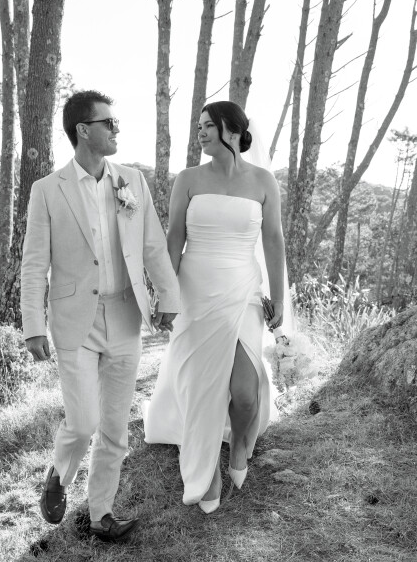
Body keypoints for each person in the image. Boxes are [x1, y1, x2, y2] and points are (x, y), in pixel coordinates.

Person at [21, 90, 180, 541]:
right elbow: (34, 264)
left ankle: (101, 514)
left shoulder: (132, 181)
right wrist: (33, 324)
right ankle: (60, 474)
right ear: (83, 131)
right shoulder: (47, 190)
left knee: (114, 426)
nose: (115, 129)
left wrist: (168, 295)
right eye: (107, 123)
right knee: (83, 422)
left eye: (115, 122)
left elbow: (152, 244)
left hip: (125, 315)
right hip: (75, 321)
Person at [143, 100, 286, 513]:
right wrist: (166, 294)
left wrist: (278, 297)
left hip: (242, 292)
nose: (201, 133)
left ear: (232, 131)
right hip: (195, 293)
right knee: (201, 388)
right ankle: (207, 472)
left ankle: (239, 444)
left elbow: (273, 240)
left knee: (244, 394)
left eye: (208, 126)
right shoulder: (188, 179)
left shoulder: (263, 181)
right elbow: (174, 238)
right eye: (199, 126)